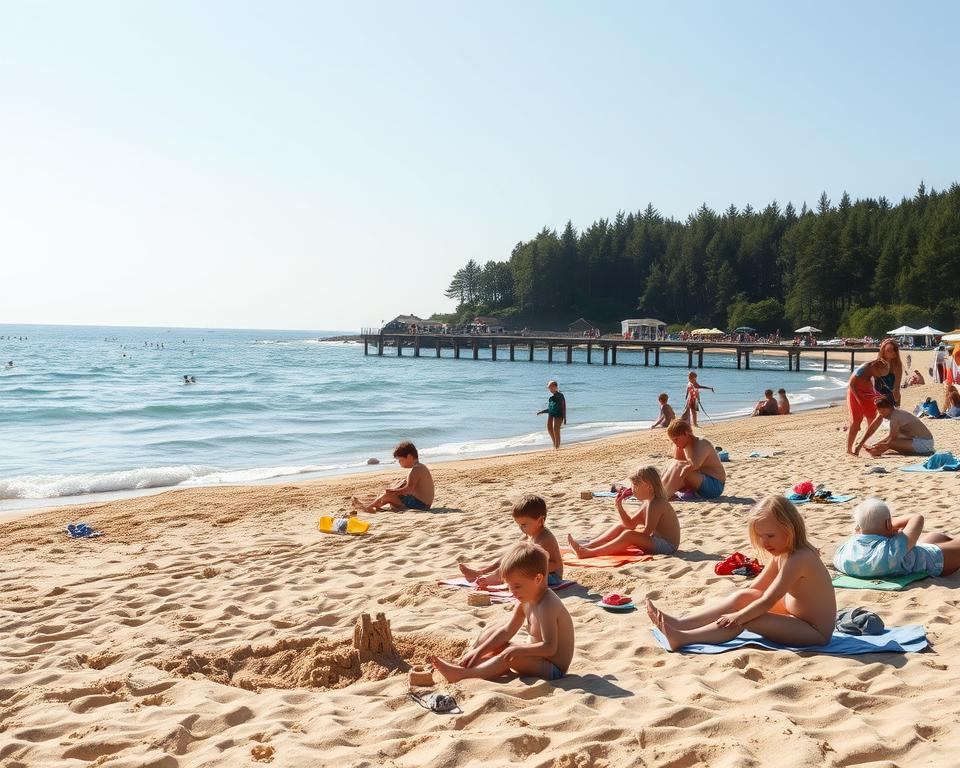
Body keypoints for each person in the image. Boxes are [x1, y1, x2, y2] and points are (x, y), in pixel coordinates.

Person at [647, 495, 836, 651]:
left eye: (770, 536)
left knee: (747, 618)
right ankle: (681, 623)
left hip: (813, 631)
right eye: (760, 536)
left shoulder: (799, 558)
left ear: (790, 530)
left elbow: (768, 600)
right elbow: (756, 588)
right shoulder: (783, 553)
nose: (764, 543)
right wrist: (738, 604)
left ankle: (683, 638)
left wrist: (738, 616)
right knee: (743, 597)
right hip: (793, 612)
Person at [431, 541, 575, 682]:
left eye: (517, 586)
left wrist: (519, 650)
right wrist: (479, 651)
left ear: (538, 579)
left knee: (510, 656)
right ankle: (468, 660)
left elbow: (550, 648)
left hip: (553, 668)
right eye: (509, 586)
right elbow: (506, 631)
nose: (512, 591)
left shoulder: (547, 605)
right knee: (492, 631)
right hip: (534, 655)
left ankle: (464, 674)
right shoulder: (525, 601)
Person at [566, 465, 680, 557]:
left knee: (628, 534)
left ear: (649, 487)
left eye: (635, 487)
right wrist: (619, 507)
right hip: (658, 540)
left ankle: (589, 553)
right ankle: (590, 545)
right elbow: (630, 524)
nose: (633, 491)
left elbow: (646, 532)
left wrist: (625, 538)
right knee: (621, 527)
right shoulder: (648, 503)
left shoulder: (656, 504)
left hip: (667, 546)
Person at [833, 498, 960, 578]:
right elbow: (917, 518)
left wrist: (879, 526)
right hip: (936, 561)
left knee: (935, 537)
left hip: (914, 553)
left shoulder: (844, 552)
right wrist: (890, 525)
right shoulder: (893, 549)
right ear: (889, 523)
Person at [459, 494, 563, 587]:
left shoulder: (545, 538)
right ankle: (480, 572)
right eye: (519, 525)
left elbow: (556, 564)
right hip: (535, 573)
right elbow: (511, 556)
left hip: (551, 577)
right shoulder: (527, 536)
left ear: (540, 521)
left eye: (524, 525)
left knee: (516, 565)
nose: (521, 528)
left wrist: (528, 569)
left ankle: (496, 577)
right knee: (509, 556)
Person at [351, 441, 435, 512]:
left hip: (421, 506)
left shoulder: (415, 470)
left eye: (400, 460)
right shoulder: (421, 467)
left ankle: (369, 508)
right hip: (423, 503)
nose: (399, 463)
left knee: (389, 495)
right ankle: (373, 504)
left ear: (409, 457)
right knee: (399, 484)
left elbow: (408, 490)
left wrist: (392, 491)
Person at [659, 419, 726, 499]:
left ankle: (663, 496)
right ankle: (659, 492)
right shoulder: (683, 445)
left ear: (686, 434)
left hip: (714, 485)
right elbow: (678, 462)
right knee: (672, 463)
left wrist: (679, 475)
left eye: (676, 439)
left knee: (679, 466)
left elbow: (693, 465)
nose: (675, 443)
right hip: (698, 483)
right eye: (673, 441)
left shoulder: (702, 443)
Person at [855, 396, 934, 457]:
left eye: (883, 411)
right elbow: (873, 427)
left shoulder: (895, 416)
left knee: (890, 443)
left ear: (890, 408)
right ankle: (873, 450)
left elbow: (891, 438)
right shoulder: (888, 412)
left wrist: (875, 447)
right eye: (879, 411)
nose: (882, 413)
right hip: (918, 440)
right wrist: (865, 443)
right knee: (890, 441)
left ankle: (874, 452)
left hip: (924, 443)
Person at [845, 359, 889, 455]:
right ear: (874, 367)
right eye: (879, 373)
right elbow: (852, 384)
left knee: (873, 419)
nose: (879, 376)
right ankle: (849, 449)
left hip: (867, 392)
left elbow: (870, 384)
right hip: (856, 394)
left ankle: (862, 442)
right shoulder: (863, 370)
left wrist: (877, 394)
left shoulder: (872, 370)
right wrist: (859, 400)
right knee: (856, 421)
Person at [536, 380, 566, 450]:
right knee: (549, 428)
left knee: (556, 429)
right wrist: (542, 411)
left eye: (550, 387)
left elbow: (562, 406)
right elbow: (551, 408)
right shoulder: (551, 398)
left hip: (558, 415)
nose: (549, 389)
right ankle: (555, 444)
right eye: (548, 387)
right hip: (552, 414)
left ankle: (557, 447)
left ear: (555, 387)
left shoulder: (560, 396)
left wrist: (564, 418)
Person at [875, 338, 904, 405]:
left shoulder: (897, 365)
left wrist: (895, 402)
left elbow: (897, 386)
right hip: (877, 397)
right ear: (883, 350)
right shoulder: (878, 364)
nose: (891, 352)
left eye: (893, 350)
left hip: (892, 398)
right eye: (888, 350)